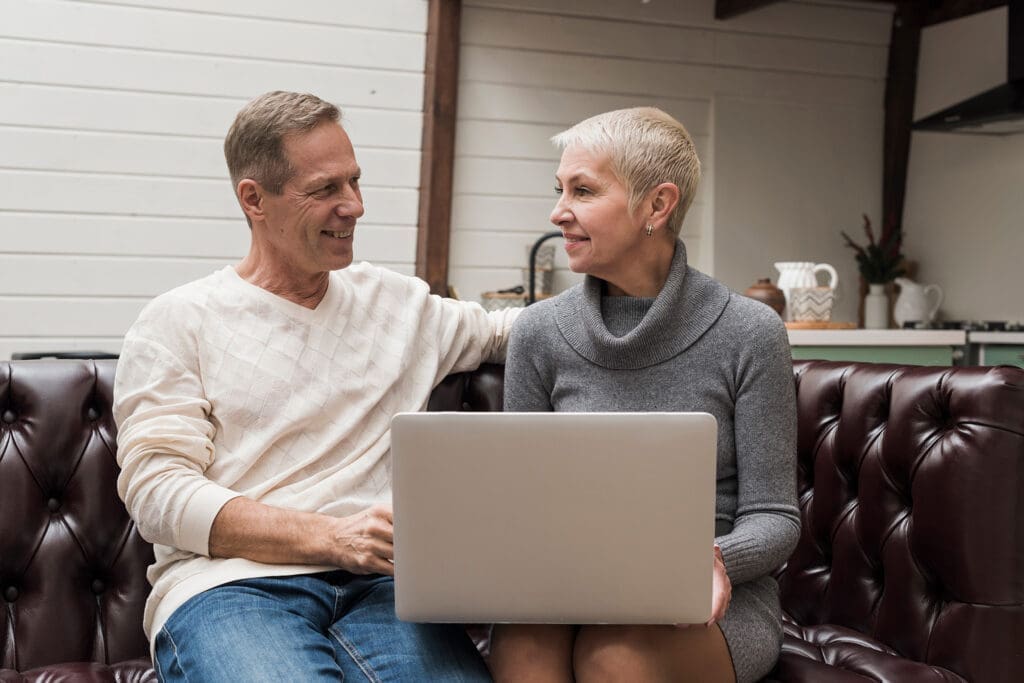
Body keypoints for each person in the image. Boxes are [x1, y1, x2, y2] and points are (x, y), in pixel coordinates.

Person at [113, 91, 516, 682]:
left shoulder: (397, 303)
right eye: (326, 189)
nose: (354, 206)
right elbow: (158, 495)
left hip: (385, 592)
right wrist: (334, 537)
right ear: (254, 198)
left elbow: (517, 332)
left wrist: (639, 275)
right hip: (231, 587)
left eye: (355, 182)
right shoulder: (178, 320)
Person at [488, 108, 800, 683]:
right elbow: (522, 503)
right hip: (565, 583)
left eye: (583, 191)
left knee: (614, 659)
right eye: (560, 190)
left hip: (711, 595)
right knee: (525, 650)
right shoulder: (537, 332)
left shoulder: (750, 332)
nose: (558, 212)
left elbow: (774, 517)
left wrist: (699, 562)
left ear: (657, 205)